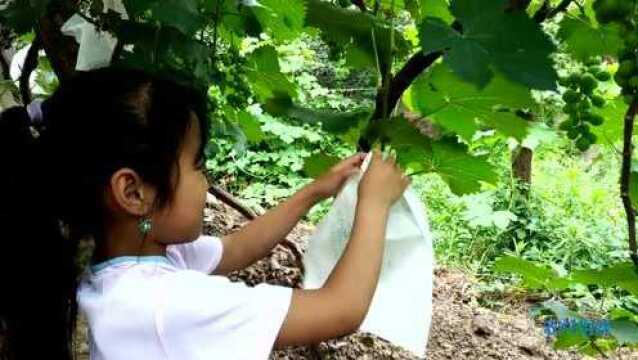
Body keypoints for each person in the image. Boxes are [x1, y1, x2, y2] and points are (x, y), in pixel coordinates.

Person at [0, 66, 410, 360]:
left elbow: (237, 248)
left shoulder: (135, 262)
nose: (207, 182)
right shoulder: (168, 304)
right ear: (133, 192)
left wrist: (314, 192)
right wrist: (373, 204)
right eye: (198, 164)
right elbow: (341, 309)